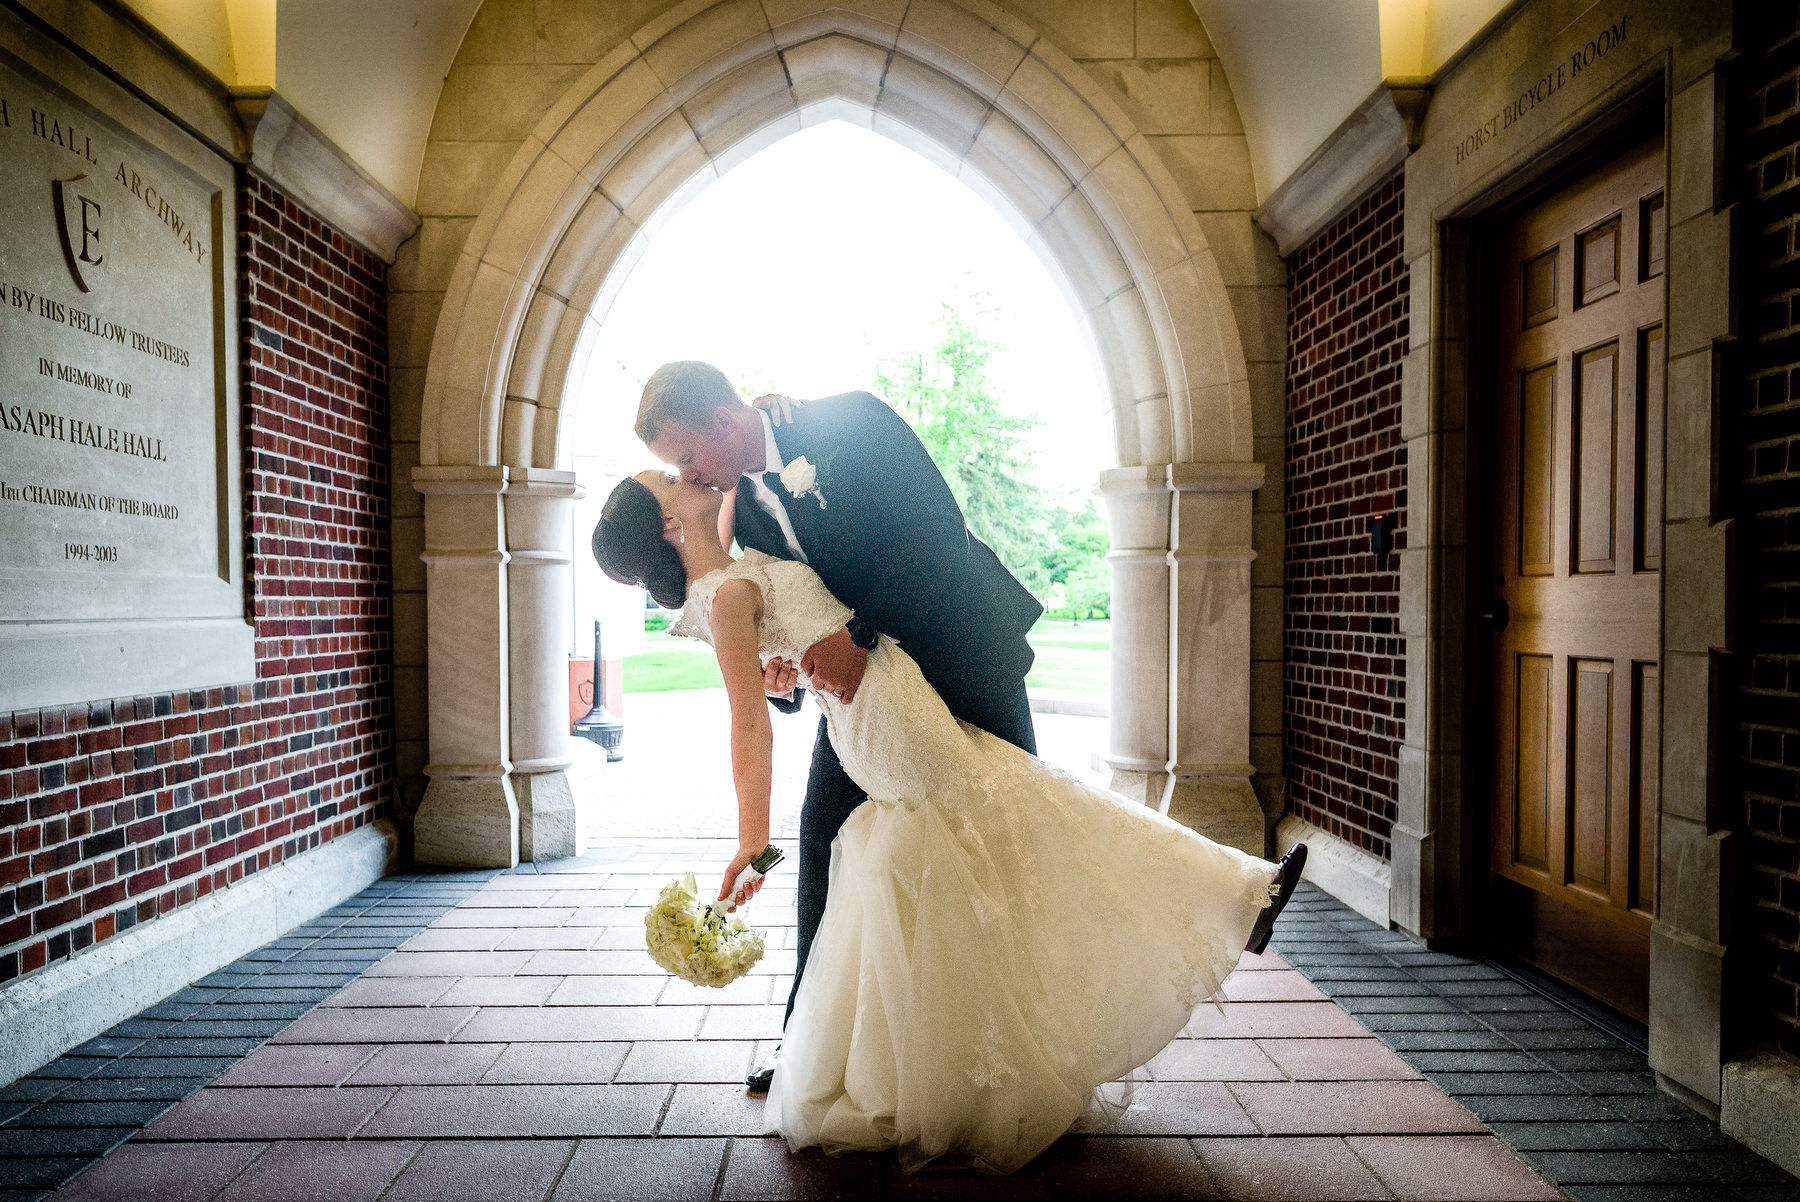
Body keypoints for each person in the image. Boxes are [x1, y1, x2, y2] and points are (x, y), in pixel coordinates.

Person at [594, 416, 1307, 1178]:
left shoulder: (744, 542)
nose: (687, 473)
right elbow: (747, 728)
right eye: (671, 475)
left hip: (905, 681)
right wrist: (751, 841)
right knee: (1016, 814)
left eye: (677, 459)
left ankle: (939, 1056)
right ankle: (1227, 898)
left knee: (993, 830)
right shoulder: (728, 583)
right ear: (670, 522)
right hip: (881, 717)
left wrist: (791, 665)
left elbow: (886, 567)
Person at [626, 362, 1046, 1098]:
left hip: (961, 649)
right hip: (868, 701)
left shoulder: (851, 422)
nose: (690, 474)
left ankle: (1037, 1029)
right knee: (822, 845)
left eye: (689, 457)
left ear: (724, 422)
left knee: (1020, 824)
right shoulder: (743, 510)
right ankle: (805, 1052)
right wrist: (785, 678)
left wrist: (859, 633)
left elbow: (936, 537)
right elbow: (795, 609)